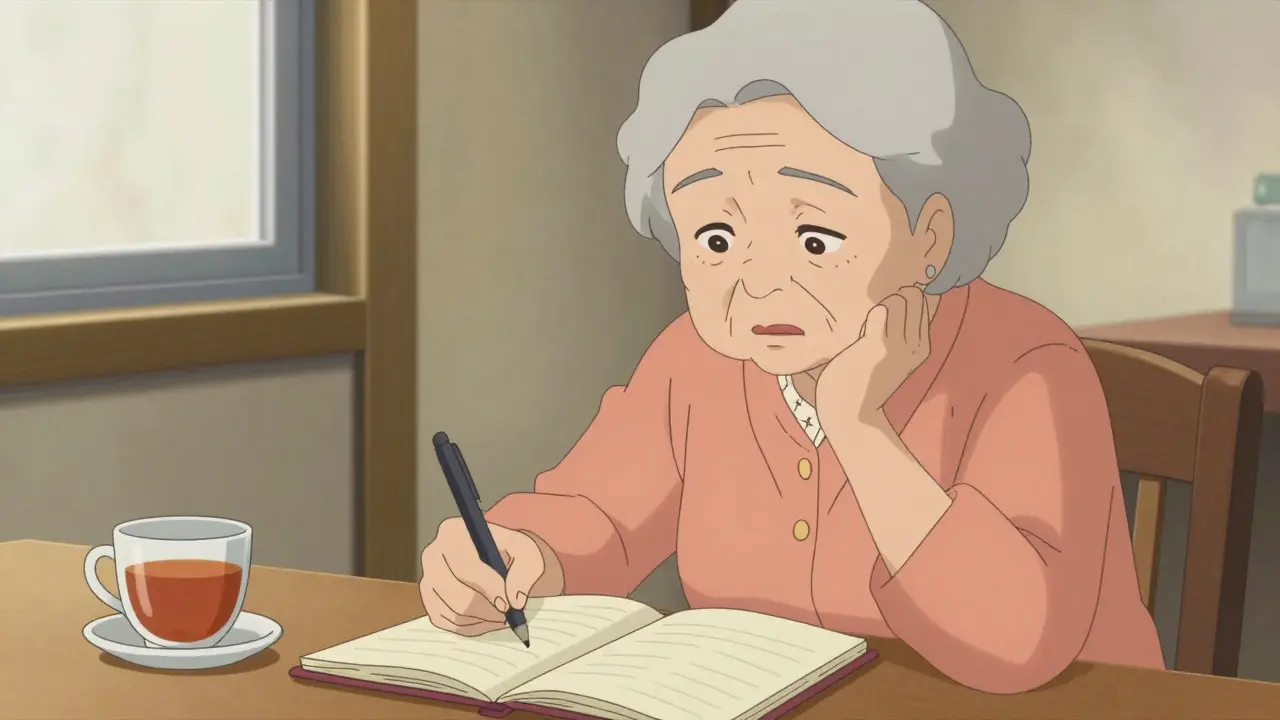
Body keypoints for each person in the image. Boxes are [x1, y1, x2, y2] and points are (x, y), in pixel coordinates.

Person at [418, 0, 1164, 694]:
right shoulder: (697, 362)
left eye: (816, 237)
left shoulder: (1027, 364)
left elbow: (1016, 640)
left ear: (930, 236)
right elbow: (599, 512)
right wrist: (518, 554)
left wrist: (861, 428)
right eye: (716, 238)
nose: (760, 284)